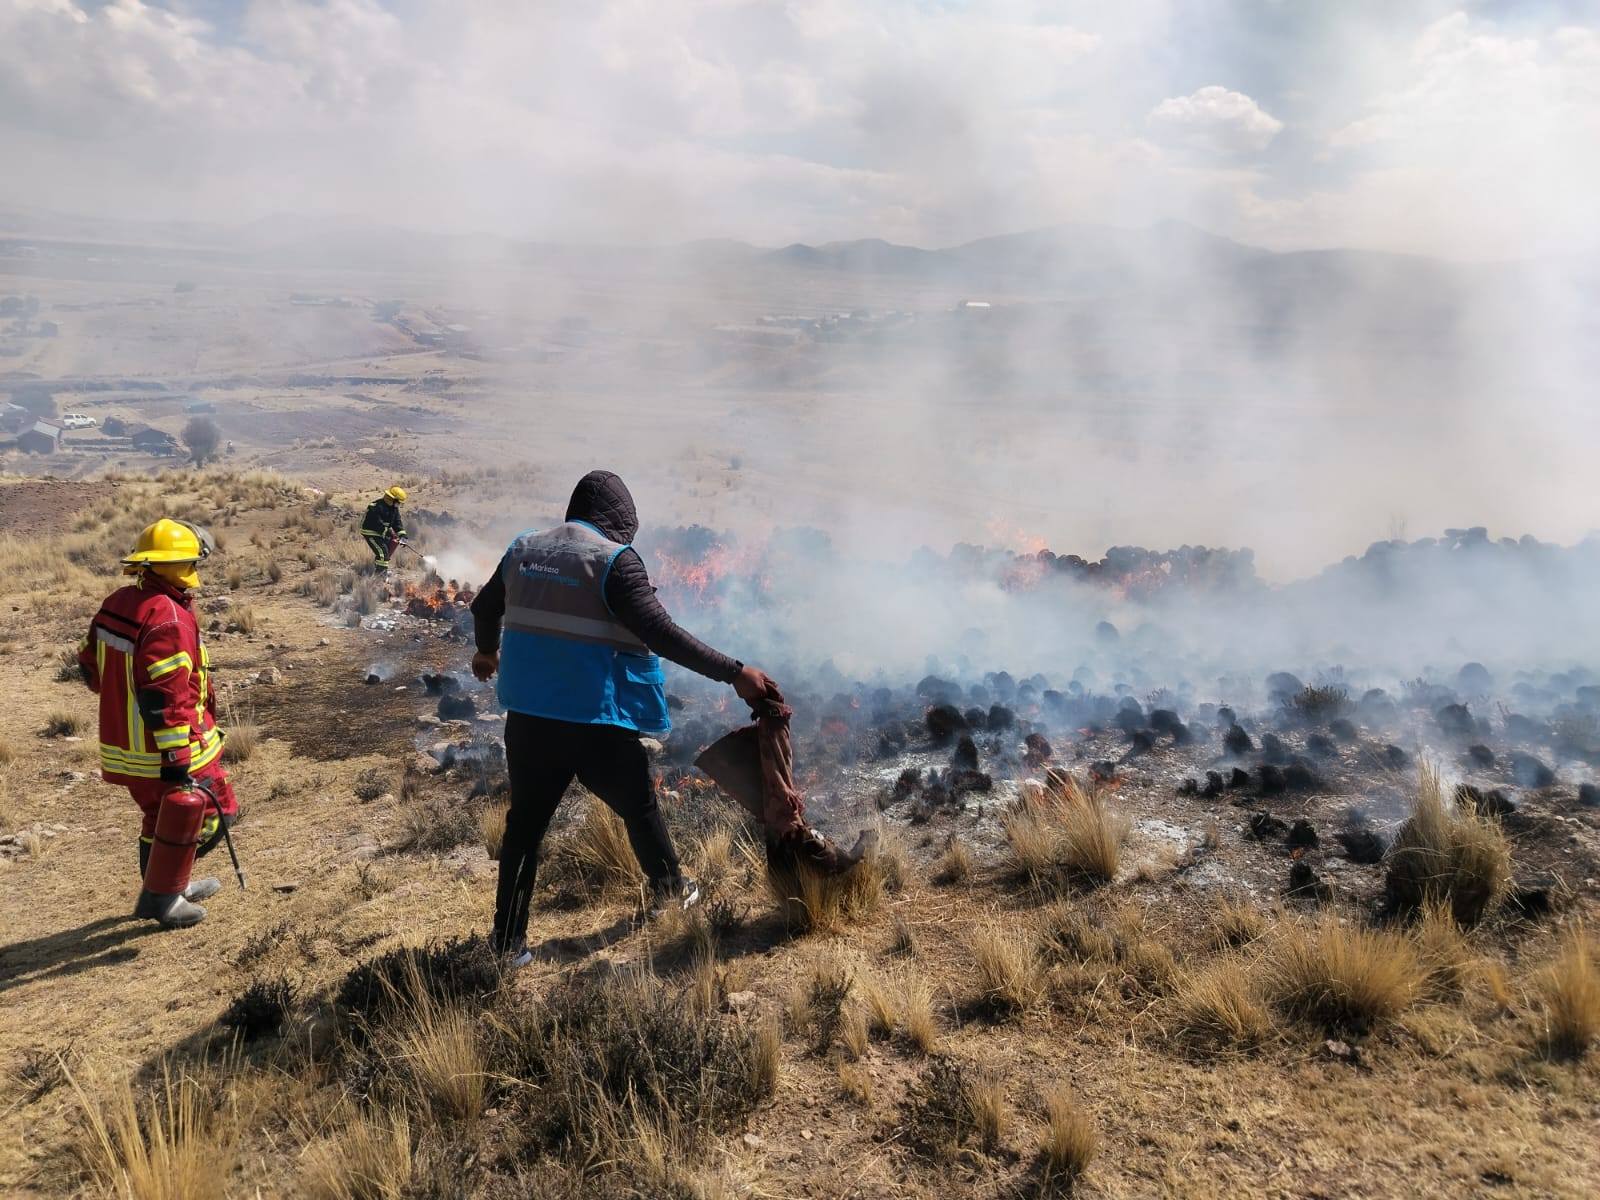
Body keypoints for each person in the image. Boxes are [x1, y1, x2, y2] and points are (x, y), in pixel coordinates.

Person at [469, 470, 775, 965]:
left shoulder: (524, 548)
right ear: (618, 519)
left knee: (524, 827)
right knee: (637, 802)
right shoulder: (612, 562)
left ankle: (507, 946)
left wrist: (486, 652)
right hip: (593, 718)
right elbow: (662, 633)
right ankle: (671, 890)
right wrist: (735, 674)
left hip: (528, 718)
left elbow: (484, 607)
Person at [76, 519, 239, 928]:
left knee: (157, 816)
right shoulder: (168, 617)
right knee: (216, 809)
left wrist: (118, 700)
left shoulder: (118, 601)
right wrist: (176, 755)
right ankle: (164, 896)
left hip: (125, 746)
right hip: (167, 748)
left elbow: (88, 662)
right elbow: (166, 696)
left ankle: (169, 887)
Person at [361, 485, 408, 571]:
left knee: (386, 551)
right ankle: (380, 576)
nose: (399, 504)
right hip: (370, 532)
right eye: (398, 502)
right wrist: (389, 532)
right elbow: (377, 523)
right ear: (392, 499)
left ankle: (376, 569)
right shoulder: (376, 506)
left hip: (382, 532)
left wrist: (402, 535)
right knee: (383, 553)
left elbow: (397, 522)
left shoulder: (394, 509)